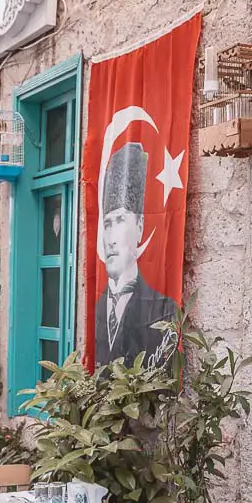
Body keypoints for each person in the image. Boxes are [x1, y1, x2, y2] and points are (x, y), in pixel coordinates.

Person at [94, 142, 176, 369]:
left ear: (140, 226)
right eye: (108, 224)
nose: (111, 238)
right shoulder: (98, 307)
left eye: (121, 220)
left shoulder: (163, 308)